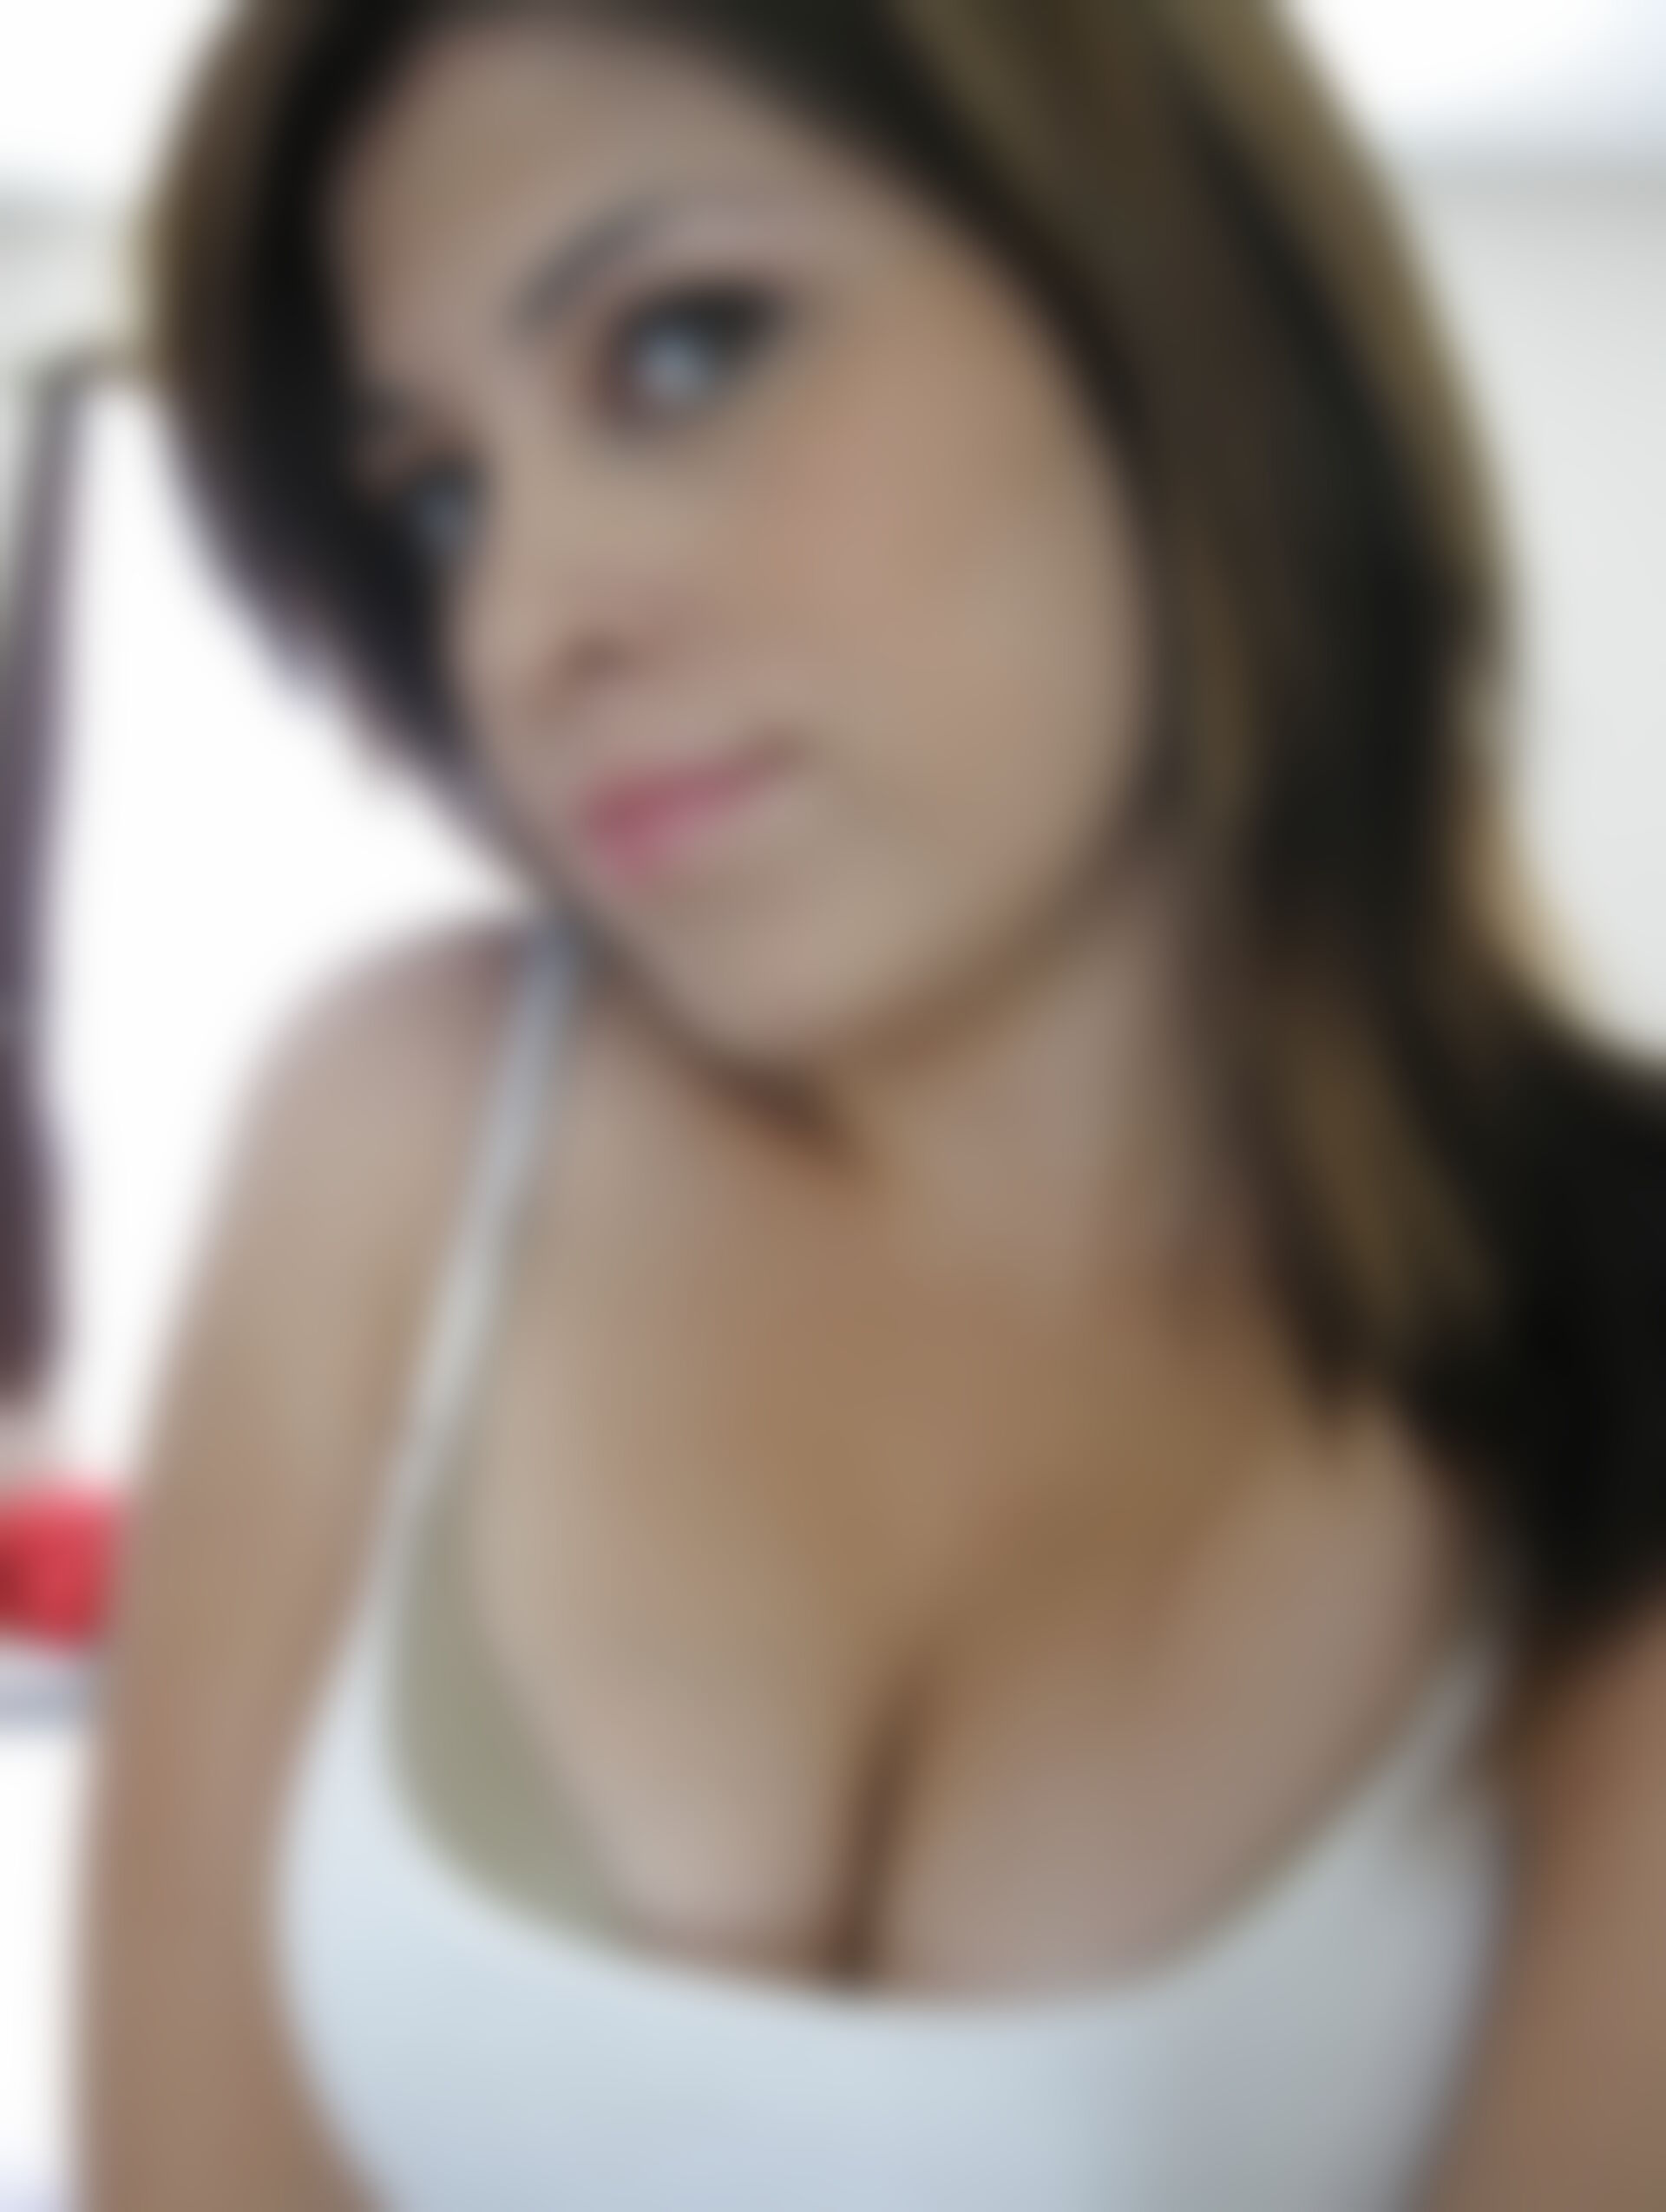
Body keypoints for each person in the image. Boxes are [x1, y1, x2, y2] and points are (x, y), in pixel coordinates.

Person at [79, 2, 1666, 2207]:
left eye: (685, 347)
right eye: (440, 496)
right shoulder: (393, 1132)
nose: (520, 629)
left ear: (1170, 304)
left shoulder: (1609, 1300)